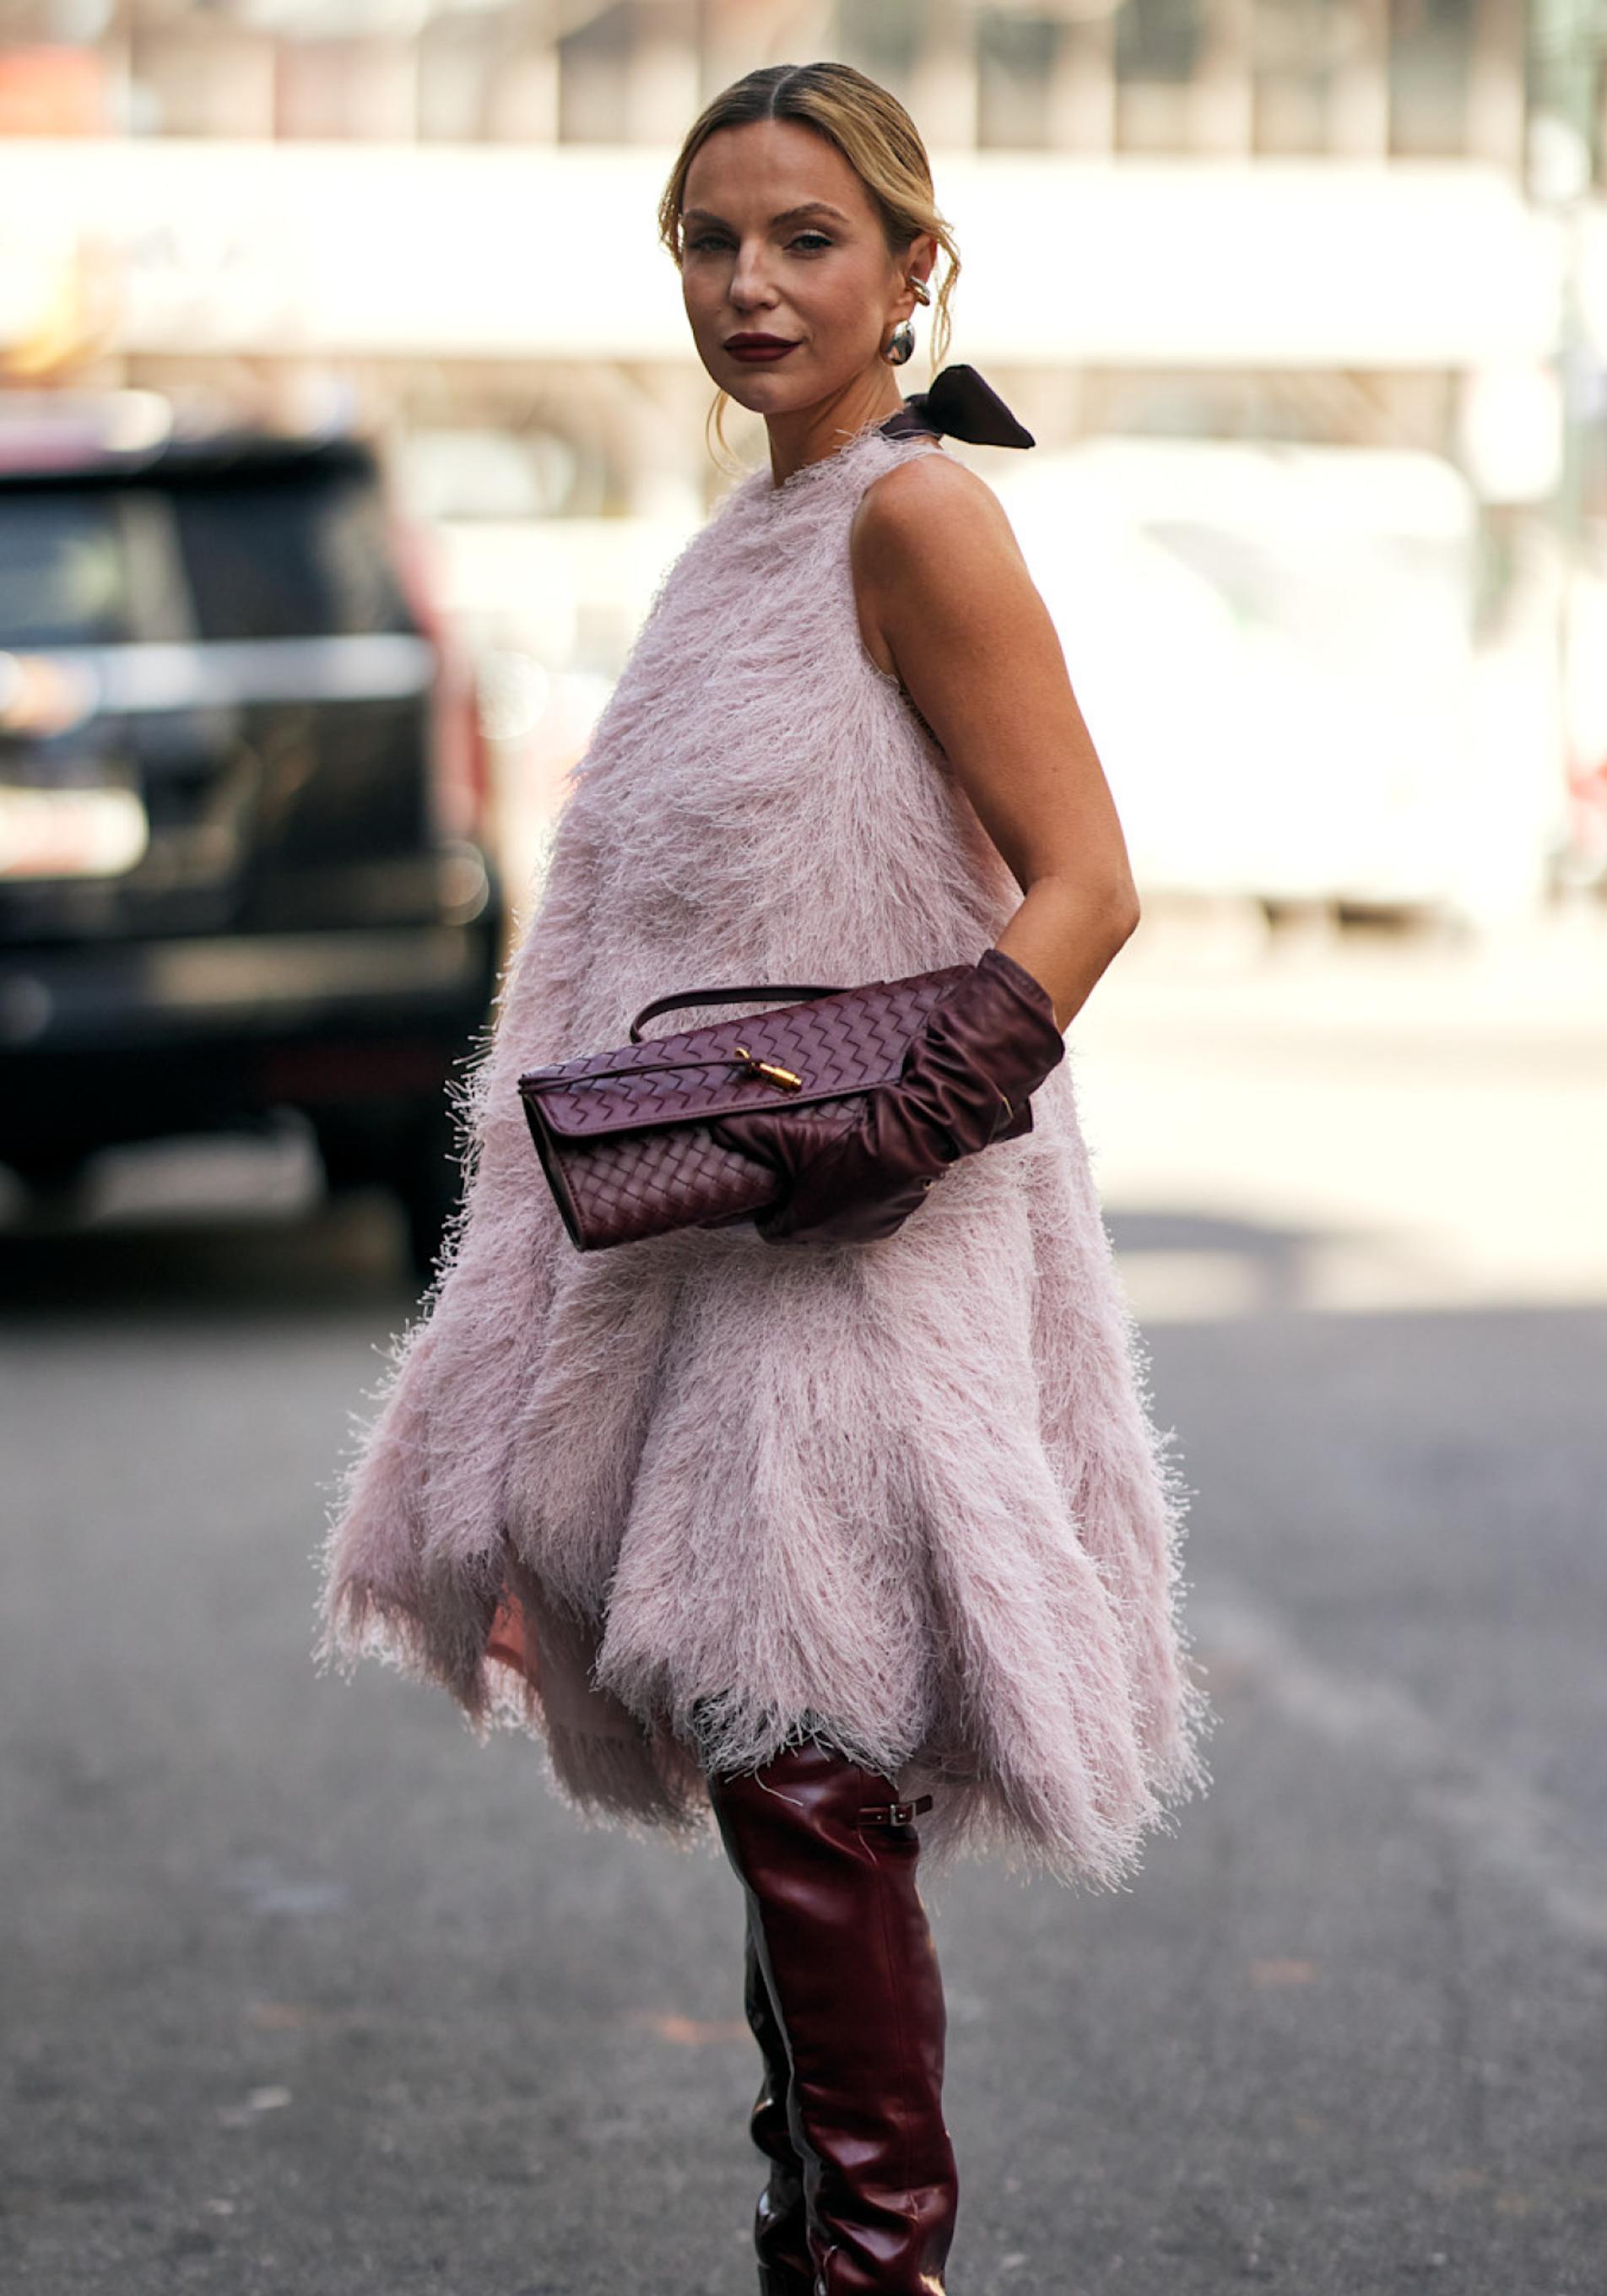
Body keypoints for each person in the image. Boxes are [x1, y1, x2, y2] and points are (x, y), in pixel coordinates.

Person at [317, 57, 1213, 2295]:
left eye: (807, 237)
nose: (748, 283)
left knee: (809, 1767)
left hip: (864, 1242)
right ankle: (822, 2243)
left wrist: (888, 1137)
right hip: (725, 1238)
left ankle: (874, 2262)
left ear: (917, 269)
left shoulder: (919, 519)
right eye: (711, 241)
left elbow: (1089, 882)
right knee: (782, 1778)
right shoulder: (760, 539)